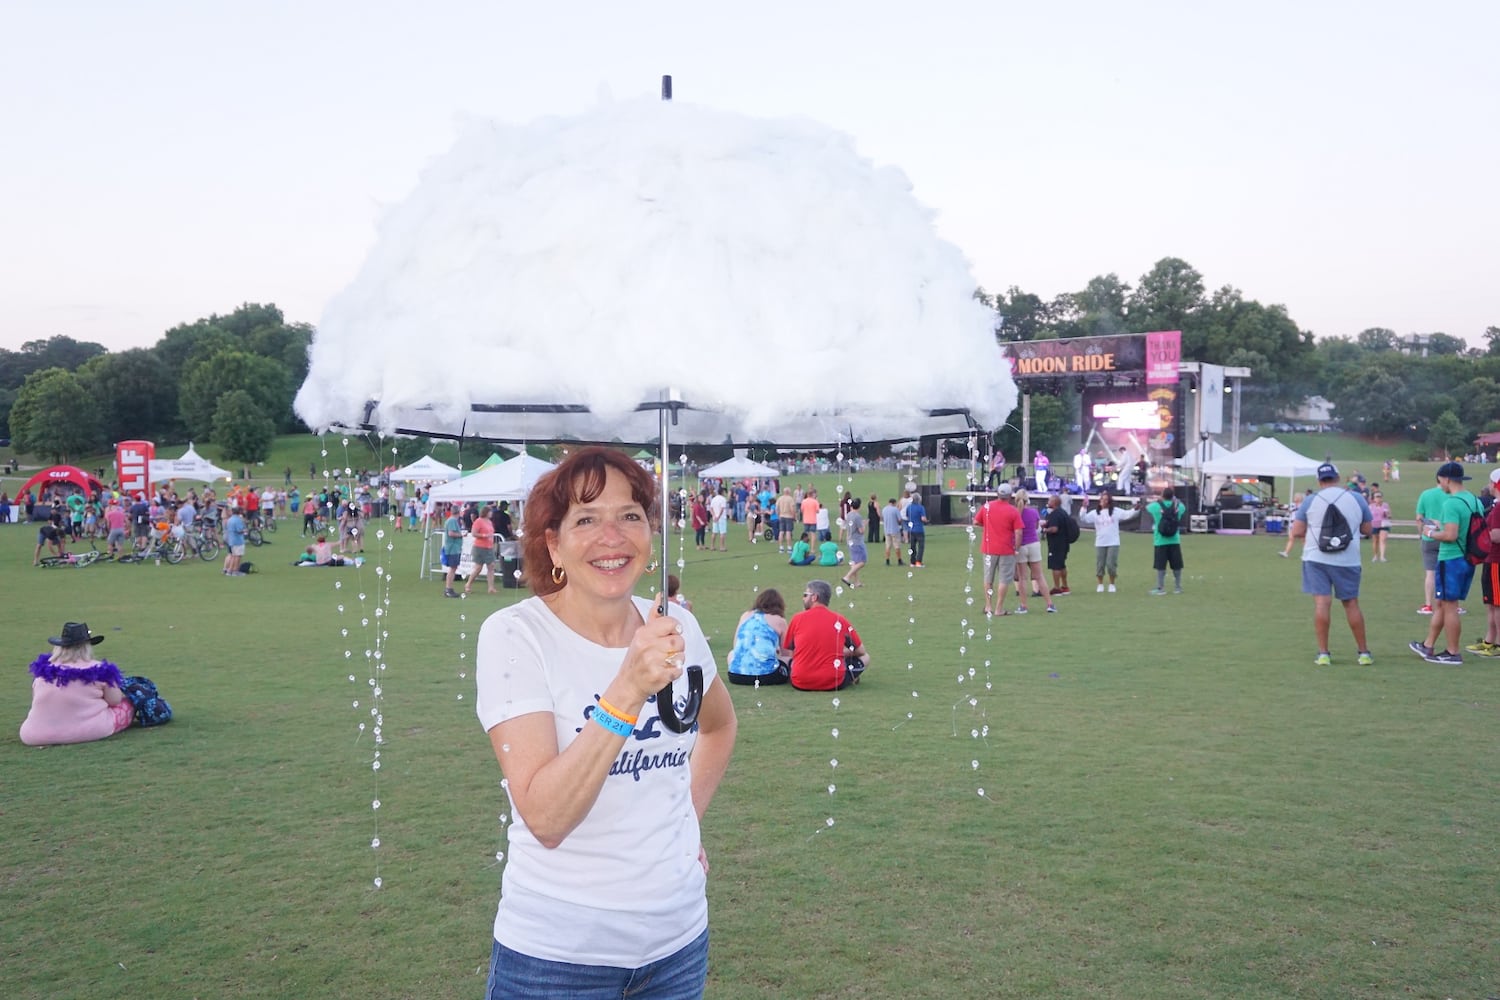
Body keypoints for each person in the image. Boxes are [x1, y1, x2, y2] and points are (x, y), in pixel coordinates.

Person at [473, 446, 736, 997]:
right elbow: (546, 817)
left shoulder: (675, 625)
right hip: (557, 960)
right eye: (587, 519)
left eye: (630, 516)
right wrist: (627, 689)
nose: (611, 537)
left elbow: (718, 727)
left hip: (678, 945)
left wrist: (685, 819)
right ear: (554, 543)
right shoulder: (516, 635)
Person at [1291, 463, 1374, 666]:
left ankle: (1323, 654)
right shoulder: (1356, 498)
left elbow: (1297, 531)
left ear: (1320, 481)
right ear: (1338, 478)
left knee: (1322, 604)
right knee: (1351, 604)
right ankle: (1363, 653)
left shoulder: (1311, 500)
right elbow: (1368, 530)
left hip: (1316, 558)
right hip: (1348, 559)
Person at [1410, 462, 1483, 665]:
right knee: (1442, 604)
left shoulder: (1451, 503)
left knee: (1450, 606)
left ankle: (1453, 652)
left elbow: (1450, 535)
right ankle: (1428, 644)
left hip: (1450, 558)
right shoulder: (1473, 501)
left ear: (1446, 479)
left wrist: (1430, 532)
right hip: (1467, 558)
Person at [20, 622, 133, 746]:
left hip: (34, 735)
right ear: (87, 646)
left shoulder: (43, 670)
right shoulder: (100, 670)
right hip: (90, 730)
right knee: (129, 704)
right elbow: (115, 701)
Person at [782, 580, 870, 690]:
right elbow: (861, 651)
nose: (803, 598)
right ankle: (851, 677)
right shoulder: (840, 620)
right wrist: (842, 653)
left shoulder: (797, 619)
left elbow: (790, 650)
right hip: (833, 682)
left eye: (805, 595)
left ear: (814, 597)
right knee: (865, 657)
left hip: (800, 682)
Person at [974, 483, 1024, 616]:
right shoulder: (1013, 510)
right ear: (1010, 496)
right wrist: (1016, 548)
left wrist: (988, 526)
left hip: (989, 548)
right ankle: (999, 608)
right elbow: (1019, 532)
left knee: (988, 578)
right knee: (1004, 579)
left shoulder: (987, 506)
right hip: (1006, 549)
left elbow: (976, 521)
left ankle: (988, 606)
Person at [1467, 468, 1500, 658]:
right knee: (1490, 603)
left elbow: (1496, 535)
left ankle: (1498, 643)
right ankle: (1490, 640)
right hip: (1490, 560)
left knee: (1497, 604)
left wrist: (1480, 535)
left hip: (1496, 560)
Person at [726, 588, 789, 685]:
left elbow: (736, 646)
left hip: (736, 676)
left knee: (731, 653)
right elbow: (786, 653)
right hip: (766, 676)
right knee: (788, 660)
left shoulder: (745, 616)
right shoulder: (779, 621)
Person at [1081, 489, 1134, 592]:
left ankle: (1112, 584)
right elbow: (1084, 518)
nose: (1103, 501)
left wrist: (1135, 509)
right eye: (1102, 499)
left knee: (1111, 564)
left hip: (1113, 542)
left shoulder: (1115, 512)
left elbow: (1127, 514)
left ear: (1109, 502)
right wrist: (1084, 507)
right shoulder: (1095, 513)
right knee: (1100, 564)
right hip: (1100, 542)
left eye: (1105, 500)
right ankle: (1100, 584)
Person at [1012, 488, 1053, 611]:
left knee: (1022, 578)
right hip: (1034, 544)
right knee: (1039, 576)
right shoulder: (1034, 512)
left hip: (1021, 545)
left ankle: (1024, 606)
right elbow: (1035, 527)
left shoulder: (1014, 514)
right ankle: (1050, 604)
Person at [1415, 474, 1447, 615]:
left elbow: (1419, 518)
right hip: (1447, 536)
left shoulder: (1426, 494)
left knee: (1430, 573)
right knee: (1448, 572)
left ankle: (1428, 604)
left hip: (1429, 537)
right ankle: (1451, 603)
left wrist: (1420, 534)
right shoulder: (1451, 495)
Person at [1145, 487, 1187, 595]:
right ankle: (1178, 587)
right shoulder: (1178, 507)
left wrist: (1159, 500)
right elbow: (1183, 507)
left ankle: (1160, 588)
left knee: (1160, 566)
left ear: (1162, 495)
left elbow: (1147, 507)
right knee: (1177, 565)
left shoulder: (1156, 506)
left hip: (1160, 540)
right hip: (1174, 540)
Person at [1042, 494, 1074, 595]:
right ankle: (1065, 586)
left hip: (1056, 544)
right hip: (1064, 543)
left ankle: (1057, 588)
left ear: (1054, 502)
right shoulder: (1063, 512)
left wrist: (1044, 530)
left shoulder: (1055, 514)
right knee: (1062, 565)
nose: (1048, 501)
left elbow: (1054, 529)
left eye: (1050, 500)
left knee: (1055, 566)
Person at [467, 504, 499, 594]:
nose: (491, 513)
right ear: (486, 512)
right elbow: (474, 533)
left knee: (491, 566)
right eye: (490, 512)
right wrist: (484, 535)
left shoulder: (489, 522)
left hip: (489, 547)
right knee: (478, 568)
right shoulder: (478, 521)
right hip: (479, 547)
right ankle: (468, 584)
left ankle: (491, 587)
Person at [841, 497, 867, 588]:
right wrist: (864, 524)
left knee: (855, 562)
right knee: (862, 562)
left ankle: (857, 582)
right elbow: (861, 531)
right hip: (857, 541)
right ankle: (847, 576)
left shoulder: (848, 515)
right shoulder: (858, 516)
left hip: (850, 540)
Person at [441, 503, 464, 598]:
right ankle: (448, 589)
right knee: (452, 569)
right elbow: (451, 533)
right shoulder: (452, 521)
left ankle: (449, 589)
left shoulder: (451, 520)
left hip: (452, 548)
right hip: (452, 548)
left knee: (452, 569)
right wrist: (462, 534)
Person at [1367, 489, 1392, 563]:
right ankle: (1375, 555)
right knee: (1375, 540)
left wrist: (1387, 514)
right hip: (1374, 524)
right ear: (1374, 498)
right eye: (1377, 497)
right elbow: (1369, 516)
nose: (1378, 498)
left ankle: (1382, 556)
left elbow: (1390, 515)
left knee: (1383, 539)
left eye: (1380, 497)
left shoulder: (1385, 505)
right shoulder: (1371, 506)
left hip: (1383, 524)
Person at [905, 491, 928, 567]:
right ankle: (918, 561)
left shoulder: (909, 507)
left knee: (912, 547)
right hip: (919, 529)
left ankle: (912, 562)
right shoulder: (921, 508)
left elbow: (907, 517)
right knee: (921, 546)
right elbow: (923, 518)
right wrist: (926, 520)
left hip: (911, 530)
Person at [223, 506, 247, 576]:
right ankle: (235, 571)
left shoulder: (230, 519)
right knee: (238, 556)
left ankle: (229, 570)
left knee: (233, 556)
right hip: (238, 540)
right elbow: (239, 530)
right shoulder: (238, 520)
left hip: (231, 540)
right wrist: (245, 530)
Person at [1279, 492, 1305, 557]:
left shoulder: (1303, 505)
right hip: (1292, 523)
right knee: (1291, 538)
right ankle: (1286, 552)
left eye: (1296, 497)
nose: (1294, 498)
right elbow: (1289, 510)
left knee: (1303, 540)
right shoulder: (1292, 505)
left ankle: (1305, 554)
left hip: (1300, 523)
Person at [882, 497, 904, 566]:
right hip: (894, 530)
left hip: (886, 530)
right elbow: (900, 520)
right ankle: (899, 560)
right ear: (894, 503)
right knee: (897, 545)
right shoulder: (895, 509)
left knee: (888, 546)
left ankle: (887, 560)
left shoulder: (884, 509)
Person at [776, 487, 798, 553]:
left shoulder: (780, 498)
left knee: (781, 532)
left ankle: (781, 547)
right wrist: (794, 516)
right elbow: (792, 509)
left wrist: (778, 515)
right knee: (788, 532)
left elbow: (777, 508)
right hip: (789, 516)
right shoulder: (790, 499)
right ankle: (789, 547)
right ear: (788, 492)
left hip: (782, 516)